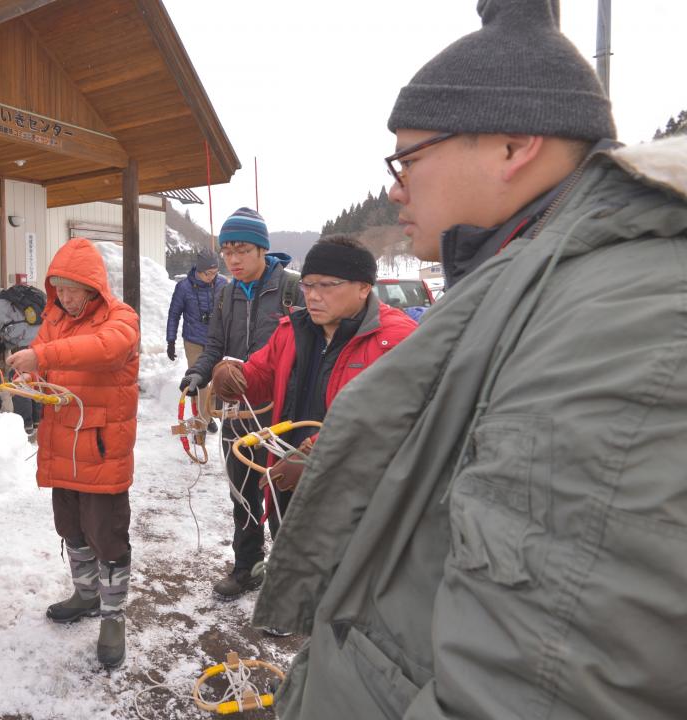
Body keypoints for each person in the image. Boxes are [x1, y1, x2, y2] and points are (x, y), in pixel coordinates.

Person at [253, 2, 687, 718]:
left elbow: (538, 687)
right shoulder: (529, 286)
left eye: (408, 159)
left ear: (513, 146)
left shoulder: (621, 319)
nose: (395, 187)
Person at [210, 235, 416, 522]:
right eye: (307, 284)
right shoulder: (293, 329)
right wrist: (231, 375)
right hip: (289, 480)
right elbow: (260, 375)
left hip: (357, 500)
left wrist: (317, 456)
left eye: (327, 285)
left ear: (364, 288)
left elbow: (388, 421)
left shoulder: (396, 340)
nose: (313, 295)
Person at [7, 238, 139, 668]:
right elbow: (46, 366)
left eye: (72, 288)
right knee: (72, 530)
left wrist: (41, 354)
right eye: (57, 289)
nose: (64, 297)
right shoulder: (56, 320)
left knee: (108, 536)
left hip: (101, 449)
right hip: (61, 444)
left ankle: (113, 615)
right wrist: (31, 379)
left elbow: (105, 351)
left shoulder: (121, 318)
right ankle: (85, 594)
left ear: (92, 286)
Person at [178, 207, 302, 601]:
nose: (233, 259)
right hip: (236, 412)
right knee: (243, 493)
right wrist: (199, 373)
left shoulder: (291, 289)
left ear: (262, 249)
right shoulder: (226, 292)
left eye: (242, 250)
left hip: (282, 413)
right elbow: (215, 344)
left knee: (283, 497)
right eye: (227, 250)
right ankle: (246, 567)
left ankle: (284, 583)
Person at [167, 247, 228, 432]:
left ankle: (206, 413)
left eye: (215, 272)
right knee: (199, 380)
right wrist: (170, 340)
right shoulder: (183, 287)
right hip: (193, 340)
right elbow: (174, 314)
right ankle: (203, 419)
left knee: (215, 380)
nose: (212, 277)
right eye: (208, 273)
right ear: (199, 271)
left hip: (215, 341)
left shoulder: (223, 284)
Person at [0, 283, 48, 440]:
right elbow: (16, 328)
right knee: (34, 381)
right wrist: (1, 347)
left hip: (28, 344)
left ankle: (25, 427)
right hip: (42, 341)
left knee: (18, 382)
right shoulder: (8, 299)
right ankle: (36, 423)